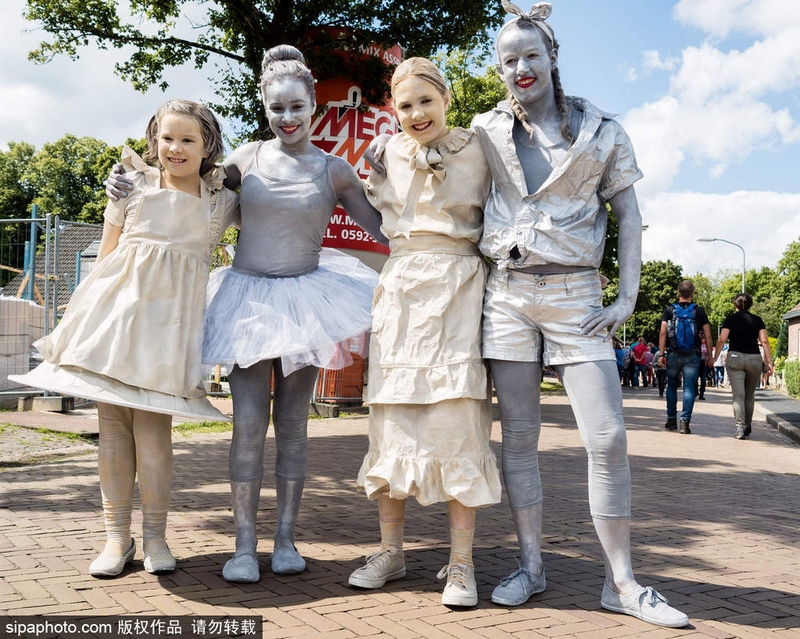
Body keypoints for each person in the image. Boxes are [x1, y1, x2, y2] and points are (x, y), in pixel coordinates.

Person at [107, 46, 388, 584]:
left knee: (295, 426)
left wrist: (395, 178)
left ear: (313, 109)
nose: (287, 118)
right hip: (247, 304)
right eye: (276, 108)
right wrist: (126, 191)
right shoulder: (242, 162)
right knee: (248, 426)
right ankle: (242, 546)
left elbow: (384, 230)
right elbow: (182, 189)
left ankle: (285, 540)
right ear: (264, 107)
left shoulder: (336, 171)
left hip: (308, 304)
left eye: (296, 107)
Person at [471, 2, 688, 628]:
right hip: (507, 299)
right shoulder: (485, 132)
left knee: (608, 437)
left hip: (577, 300)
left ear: (553, 57)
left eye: (531, 55)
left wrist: (626, 299)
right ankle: (531, 566)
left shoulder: (603, 132)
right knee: (519, 438)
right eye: (508, 61)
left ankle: (621, 581)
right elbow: (435, 169)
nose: (521, 68)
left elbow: (628, 214)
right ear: (500, 70)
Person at [13, 99, 240, 577]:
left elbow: (267, 184)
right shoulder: (131, 185)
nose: (175, 148)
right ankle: (117, 537)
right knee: (113, 429)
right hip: (115, 319)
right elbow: (107, 253)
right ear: (154, 142)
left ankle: (156, 536)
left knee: (154, 433)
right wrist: (79, 317)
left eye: (188, 139)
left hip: (170, 330)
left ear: (208, 146)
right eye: (166, 138)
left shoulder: (221, 198)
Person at [349, 58, 500, 608]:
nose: (416, 113)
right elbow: (373, 207)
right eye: (404, 104)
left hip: (459, 285)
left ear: (447, 98)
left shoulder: (481, 145)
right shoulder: (386, 151)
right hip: (399, 291)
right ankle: (392, 551)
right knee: (390, 426)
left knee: (457, 420)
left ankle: (461, 564)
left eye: (426, 101)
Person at [712, 293, 773, 439]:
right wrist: (768, 361)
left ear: (735, 305)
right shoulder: (758, 320)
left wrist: (714, 357)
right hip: (754, 358)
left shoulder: (730, 319)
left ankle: (739, 428)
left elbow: (722, 339)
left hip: (735, 358)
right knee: (750, 394)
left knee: (738, 396)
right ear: (751, 305)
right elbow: (764, 341)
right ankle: (747, 425)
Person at [658, 280, 713, 434]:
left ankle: (670, 420)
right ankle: (684, 423)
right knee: (689, 388)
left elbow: (663, 332)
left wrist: (661, 354)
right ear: (692, 293)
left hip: (673, 353)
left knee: (672, 386)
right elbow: (707, 334)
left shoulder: (669, 310)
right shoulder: (699, 311)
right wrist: (709, 355)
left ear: (678, 293)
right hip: (693, 354)